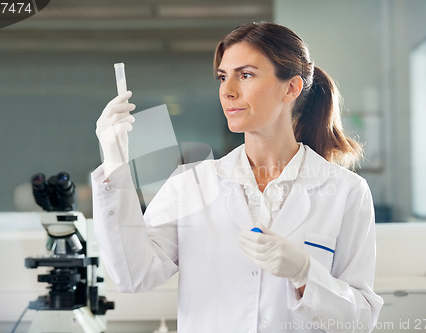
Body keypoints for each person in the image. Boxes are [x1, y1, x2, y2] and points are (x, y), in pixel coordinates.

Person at [92, 22, 383, 332]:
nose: (227, 91)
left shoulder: (346, 191)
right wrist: (114, 162)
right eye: (222, 76)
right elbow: (132, 274)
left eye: (245, 75)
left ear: (291, 88)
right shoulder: (191, 185)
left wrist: (304, 273)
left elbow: (361, 320)